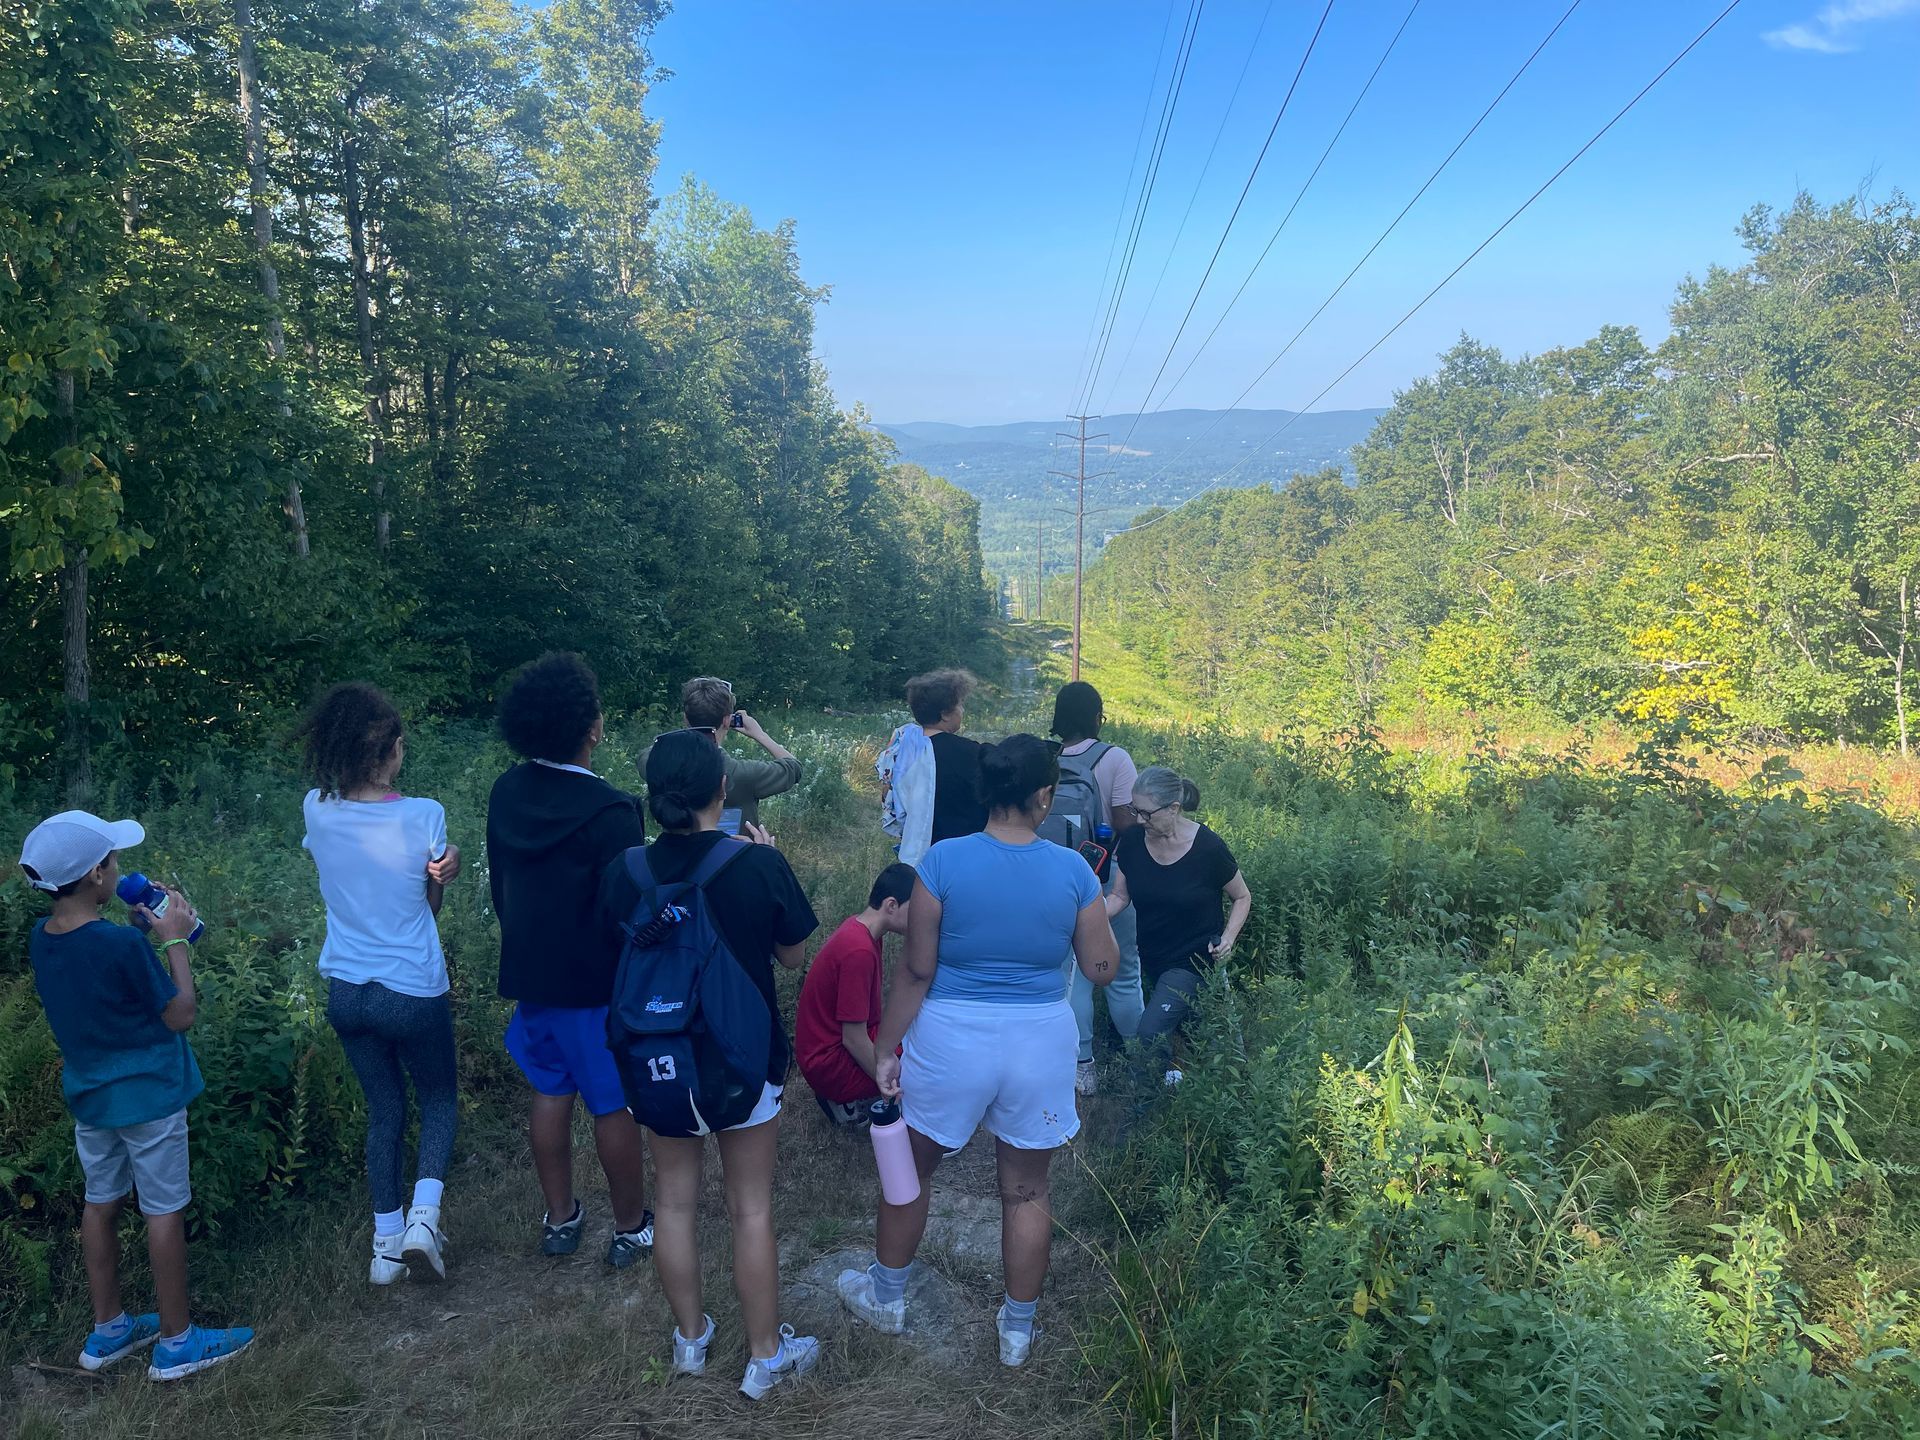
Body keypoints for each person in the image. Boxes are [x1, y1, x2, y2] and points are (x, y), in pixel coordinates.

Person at [838, 735, 1119, 1368]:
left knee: (912, 1169)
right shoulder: (1074, 871)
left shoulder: (941, 862)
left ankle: (886, 1297)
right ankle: (1017, 1331)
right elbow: (1101, 967)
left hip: (951, 1036)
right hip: (1039, 1040)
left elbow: (915, 972)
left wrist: (886, 1050)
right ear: (1044, 796)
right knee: (1026, 1190)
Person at [599, 730, 823, 1399]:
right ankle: (764, 1356)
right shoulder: (754, 865)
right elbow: (793, 957)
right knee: (749, 1208)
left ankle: (691, 1340)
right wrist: (773, 861)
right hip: (741, 1061)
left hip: (657, 1060)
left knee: (672, 1202)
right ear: (722, 790)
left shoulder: (625, 871)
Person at [19, 811, 255, 1381]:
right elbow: (181, 1014)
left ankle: (109, 1330)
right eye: (115, 861)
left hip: (92, 1101)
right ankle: (177, 1341)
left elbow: (95, 988)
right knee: (162, 1209)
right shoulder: (123, 944)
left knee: (100, 1204)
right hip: (149, 1098)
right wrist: (172, 940)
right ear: (98, 874)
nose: (120, 867)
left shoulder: (42, 940)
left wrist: (137, 932)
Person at [487, 652, 654, 1266]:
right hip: (597, 985)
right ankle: (632, 1226)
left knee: (549, 1092)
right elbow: (631, 910)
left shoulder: (506, 792)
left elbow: (502, 884)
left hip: (534, 977)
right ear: (591, 727)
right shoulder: (612, 811)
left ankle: (561, 1218)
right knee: (612, 1105)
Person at [298, 682, 462, 1285]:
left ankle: (385, 1247)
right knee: (439, 1099)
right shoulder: (423, 816)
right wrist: (448, 866)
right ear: (392, 751)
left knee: (384, 1110)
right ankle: (424, 1220)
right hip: (410, 988)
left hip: (346, 988)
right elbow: (432, 903)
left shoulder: (316, 808)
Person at [1106, 767, 1252, 1086]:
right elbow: (1119, 896)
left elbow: (1242, 896)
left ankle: (1143, 1104)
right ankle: (1221, 1082)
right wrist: (1085, 918)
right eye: (1135, 810)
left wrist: (1228, 938)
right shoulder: (1132, 841)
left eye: (1145, 813)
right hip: (1154, 955)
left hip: (1194, 959)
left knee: (1150, 1032)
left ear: (1173, 808)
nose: (1139, 819)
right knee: (1203, 1030)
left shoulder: (1208, 848)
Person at [1049, 680, 1143, 1097]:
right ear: (1095, 716)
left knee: (1074, 976)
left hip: (1059, 879)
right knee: (1124, 972)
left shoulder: (1046, 759)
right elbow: (1126, 822)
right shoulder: (1114, 757)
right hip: (1111, 878)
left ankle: (1082, 1065)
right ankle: (1141, 1054)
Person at [794, 862, 915, 1124]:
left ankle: (842, 1096)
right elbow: (853, 1037)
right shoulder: (858, 951)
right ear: (891, 905)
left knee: (912, 1035)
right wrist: (885, 1083)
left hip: (823, 1047)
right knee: (919, 1059)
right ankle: (839, 1094)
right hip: (828, 1061)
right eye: (914, 910)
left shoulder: (861, 930)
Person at [638, 677, 801, 836]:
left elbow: (646, 754)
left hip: (674, 856)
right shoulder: (743, 774)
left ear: (686, 719)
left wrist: (685, 737)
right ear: (727, 720)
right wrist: (760, 734)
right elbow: (793, 767)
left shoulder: (654, 763)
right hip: (732, 857)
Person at [877, 668, 985, 865]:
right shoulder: (969, 753)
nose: (963, 710)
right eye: (960, 704)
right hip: (958, 853)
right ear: (945, 714)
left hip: (914, 850)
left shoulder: (901, 748)